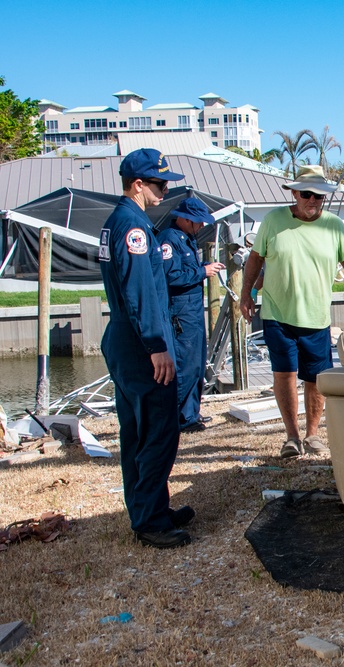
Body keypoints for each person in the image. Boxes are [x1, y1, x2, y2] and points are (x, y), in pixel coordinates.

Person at [239, 165, 344, 459]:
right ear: (294, 192)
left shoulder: (334, 226)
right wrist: (247, 293)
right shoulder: (273, 221)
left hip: (316, 318)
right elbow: (255, 260)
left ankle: (312, 434)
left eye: (319, 196)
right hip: (277, 315)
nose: (313, 200)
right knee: (285, 375)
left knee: (316, 380)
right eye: (307, 194)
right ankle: (292, 436)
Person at [99, 148, 193, 549]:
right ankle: (150, 520)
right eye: (159, 183)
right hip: (141, 343)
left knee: (136, 432)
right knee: (158, 430)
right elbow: (140, 293)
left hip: (125, 338)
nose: (165, 188)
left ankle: (149, 508)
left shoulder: (119, 222)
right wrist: (157, 346)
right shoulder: (134, 228)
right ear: (138, 185)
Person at [157, 197, 225, 434]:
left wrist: (204, 267)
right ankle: (182, 418)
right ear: (185, 219)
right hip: (180, 312)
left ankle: (192, 412)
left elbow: (185, 270)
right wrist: (202, 272)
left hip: (193, 312)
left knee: (197, 364)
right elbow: (170, 276)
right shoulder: (168, 240)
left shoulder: (187, 239)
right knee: (185, 365)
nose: (202, 227)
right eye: (198, 222)